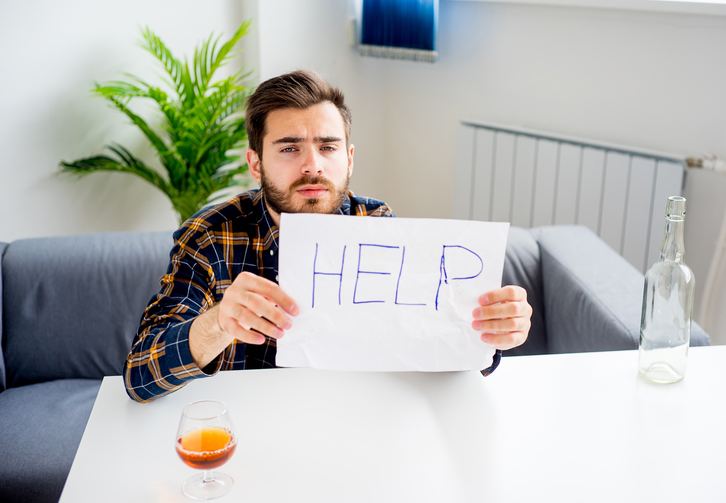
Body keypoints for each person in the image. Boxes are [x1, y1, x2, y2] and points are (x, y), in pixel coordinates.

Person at [124, 70, 532, 402]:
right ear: (255, 162)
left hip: (352, 423)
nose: (312, 167)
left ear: (349, 158)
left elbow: (426, 345)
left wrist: (490, 334)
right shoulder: (211, 235)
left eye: (328, 147)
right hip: (245, 433)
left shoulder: (377, 223)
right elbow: (139, 375)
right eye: (289, 149)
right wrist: (216, 323)